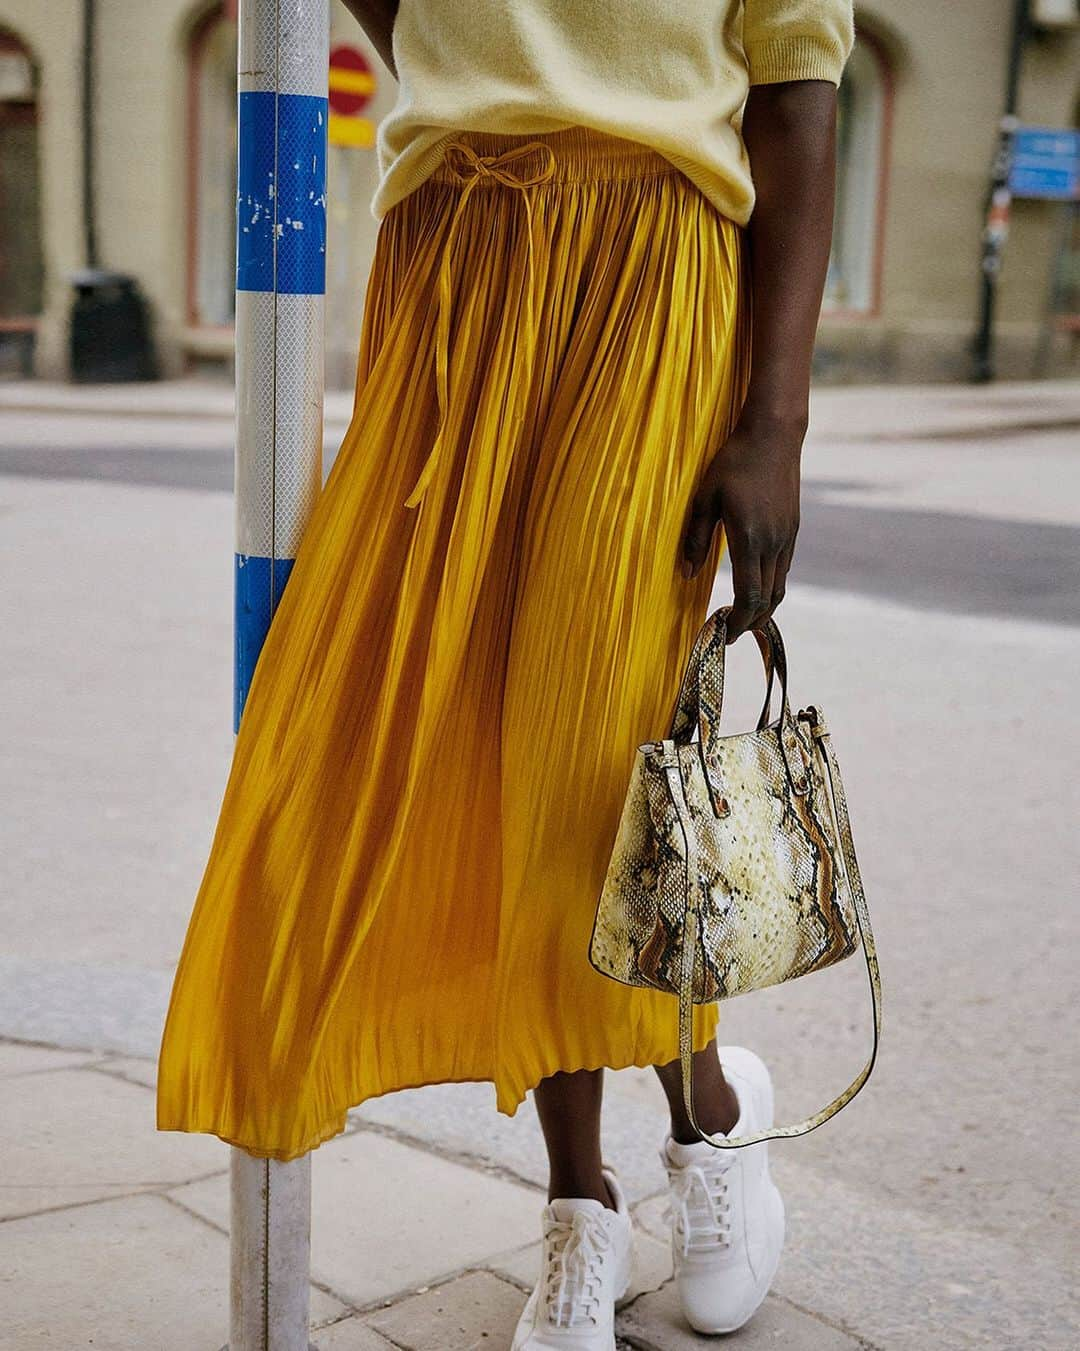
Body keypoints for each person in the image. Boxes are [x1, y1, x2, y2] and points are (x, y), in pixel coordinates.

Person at [156, 1, 855, 1345]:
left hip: (651, 263)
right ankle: (577, 1198)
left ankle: (711, 1118)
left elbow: (797, 91)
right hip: (451, 264)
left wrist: (778, 419)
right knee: (468, 740)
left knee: (596, 756)